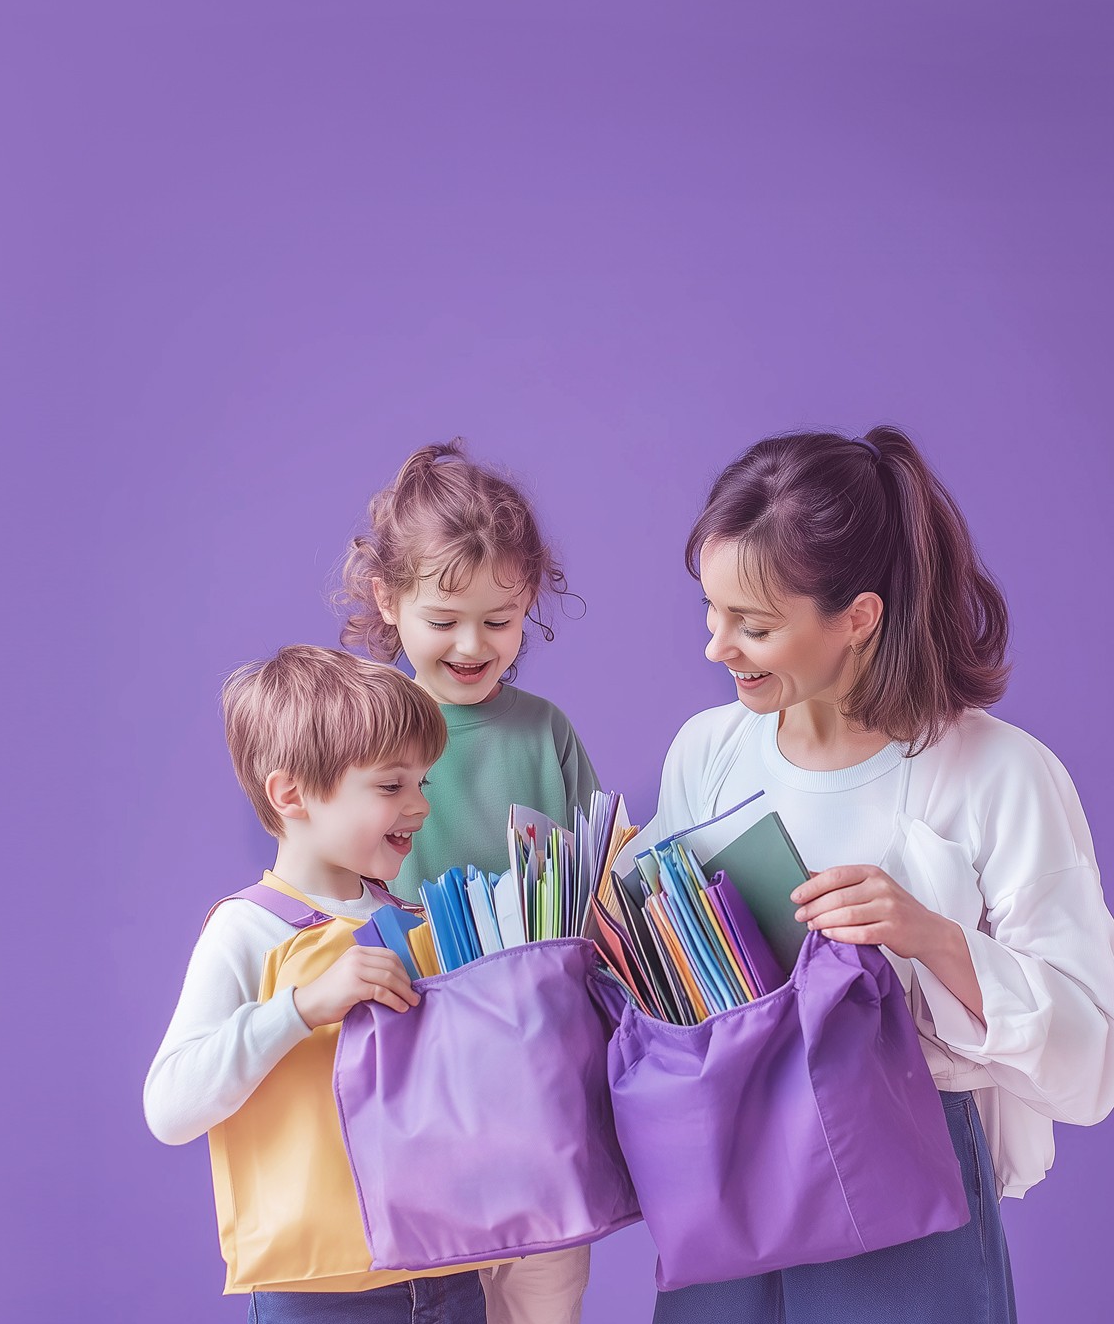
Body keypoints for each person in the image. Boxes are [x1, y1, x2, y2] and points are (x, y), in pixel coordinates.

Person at [644, 425, 1114, 1323]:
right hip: (727, 1166)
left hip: (902, 1184)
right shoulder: (707, 752)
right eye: (711, 614)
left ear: (858, 617)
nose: (718, 649)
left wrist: (931, 938)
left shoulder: (1000, 775)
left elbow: (1093, 1063)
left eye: (754, 626)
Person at [143, 644, 491, 1322]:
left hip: (451, 1275)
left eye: (424, 783)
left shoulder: (420, 920)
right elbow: (170, 1105)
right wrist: (301, 1008)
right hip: (320, 1293)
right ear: (291, 793)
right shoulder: (247, 929)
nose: (419, 807)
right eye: (392, 786)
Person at [336, 440, 599, 1324]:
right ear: (388, 598)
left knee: (545, 1290)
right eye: (445, 616)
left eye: (501, 619)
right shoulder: (359, 729)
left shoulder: (544, 732)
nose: (473, 644)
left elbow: (591, 880)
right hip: (420, 1060)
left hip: (536, 1068)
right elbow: (321, 882)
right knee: (437, 1294)